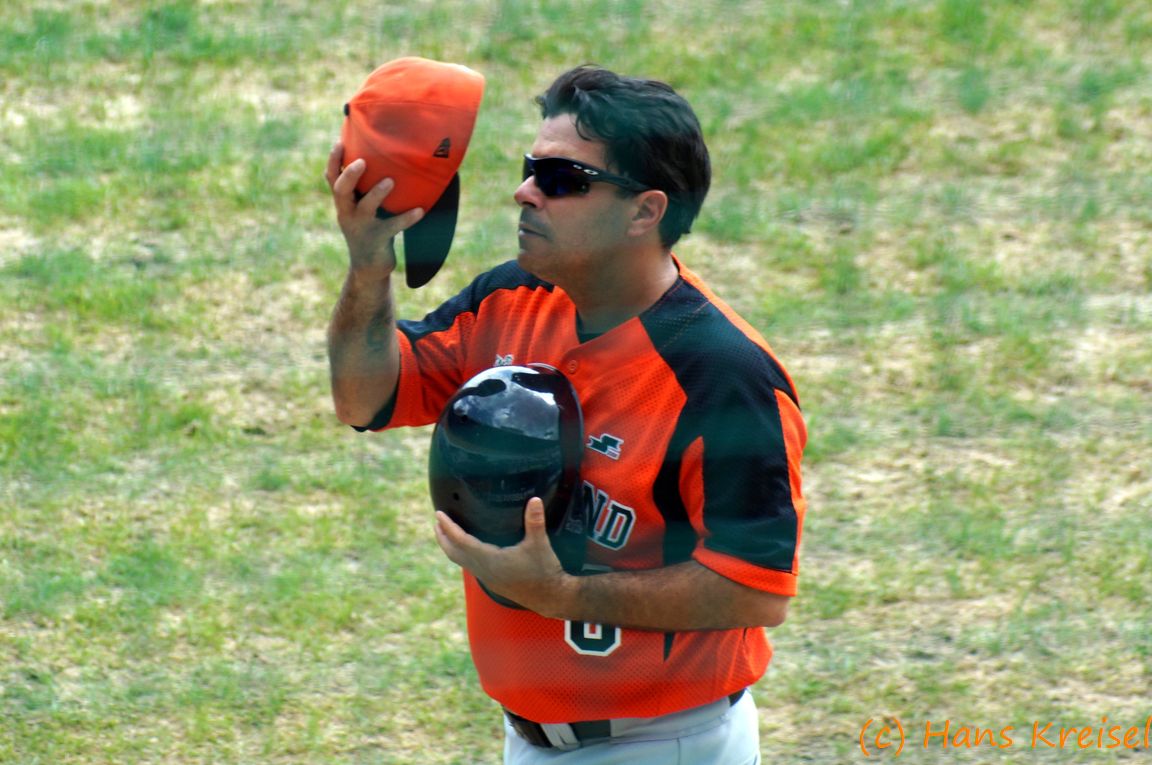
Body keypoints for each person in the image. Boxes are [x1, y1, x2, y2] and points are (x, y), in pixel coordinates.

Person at [325, 65, 807, 765]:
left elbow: (754, 589)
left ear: (644, 211)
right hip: (526, 738)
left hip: (664, 744)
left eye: (561, 179)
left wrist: (563, 594)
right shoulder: (510, 299)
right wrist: (370, 264)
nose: (525, 192)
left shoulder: (723, 375)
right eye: (531, 170)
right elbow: (364, 396)